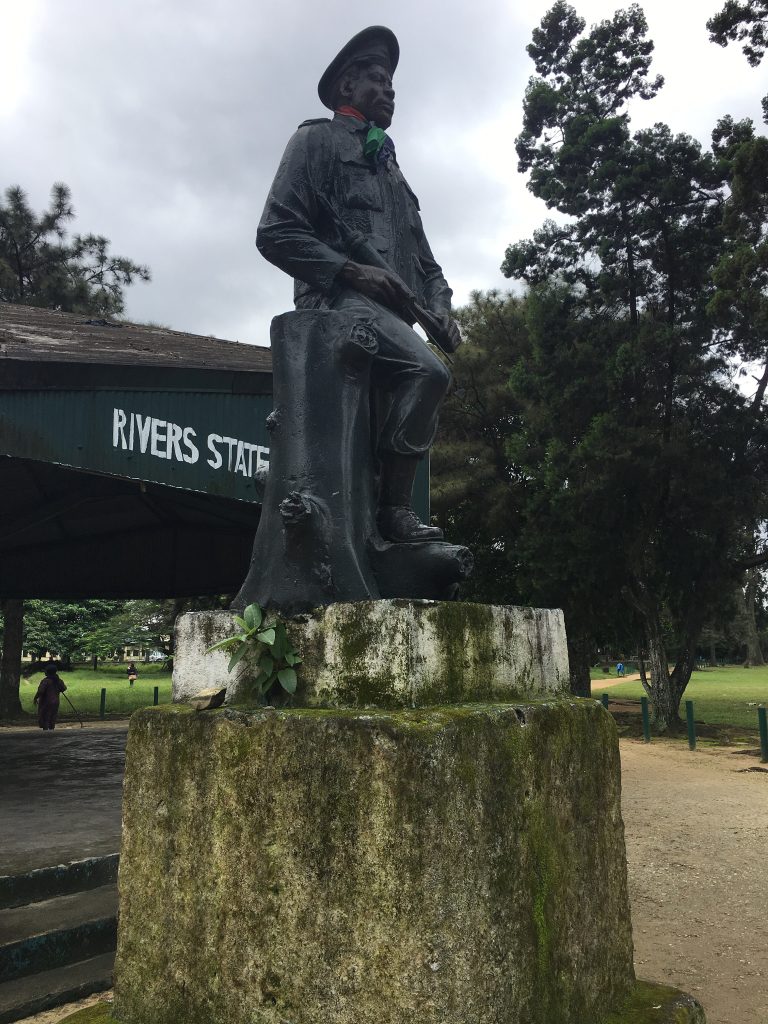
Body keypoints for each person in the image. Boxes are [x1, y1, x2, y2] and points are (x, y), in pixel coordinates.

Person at [256, 25, 462, 543]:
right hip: (336, 306)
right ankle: (395, 510)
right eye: (377, 78)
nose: (390, 90)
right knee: (428, 373)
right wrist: (352, 271)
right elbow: (275, 233)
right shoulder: (315, 141)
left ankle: (378, 523)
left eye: (392, 82)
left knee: (406, 390)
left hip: (394, 314)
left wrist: (441, 308)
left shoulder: (393, 172)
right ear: (347, 87)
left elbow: (427, 263)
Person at [33, 663, 67, 731]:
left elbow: (40, 691)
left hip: (46, 702)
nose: (44, 672)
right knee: (52, 716)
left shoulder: (46, 681)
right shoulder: (58, 681)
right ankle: (52, 729)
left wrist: (35, 698)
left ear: (48, 672)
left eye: (45, 671)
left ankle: (45, 731)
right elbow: (64, 688)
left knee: (45, 716)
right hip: (56, 702)